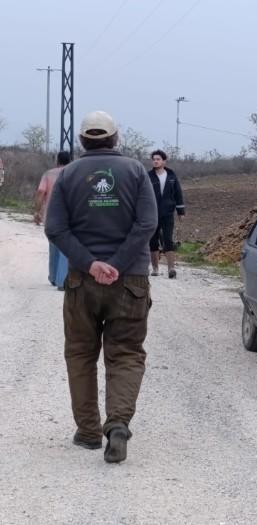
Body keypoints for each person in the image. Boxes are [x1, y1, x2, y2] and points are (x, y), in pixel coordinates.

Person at [45, 110, 158, 464]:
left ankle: (88, 431)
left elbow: (55, 228)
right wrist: (118, 263)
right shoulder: (136, 171)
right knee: (125, 353)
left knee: (80, 353)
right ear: (115, 138)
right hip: (131, 281)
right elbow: (147, 223)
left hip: (82, 280)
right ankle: (118, 424)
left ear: (82, 140)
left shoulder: (69, 174)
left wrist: (91, 263)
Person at [34, 151, 71, 290]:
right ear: (70, 161)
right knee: (65, 248)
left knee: (53, 246)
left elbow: (40, 192)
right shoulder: (74, 173)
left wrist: (37, 211)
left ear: (57, 161)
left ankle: (54, 277)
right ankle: (62, 280)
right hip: (69, 216)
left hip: (51, 216)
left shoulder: (48, 174)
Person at [147, 149, 185, 278]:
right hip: (152, 213)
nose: (155, 161)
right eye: (154, 159)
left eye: (158, 159)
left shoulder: (171, 176)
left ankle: (171, 269)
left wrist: (180, 212)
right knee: (153, 240)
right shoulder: (148, 176)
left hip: (168, 213)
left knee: (168, 239)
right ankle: (155, 268)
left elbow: (178, 194)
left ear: (164, 161)